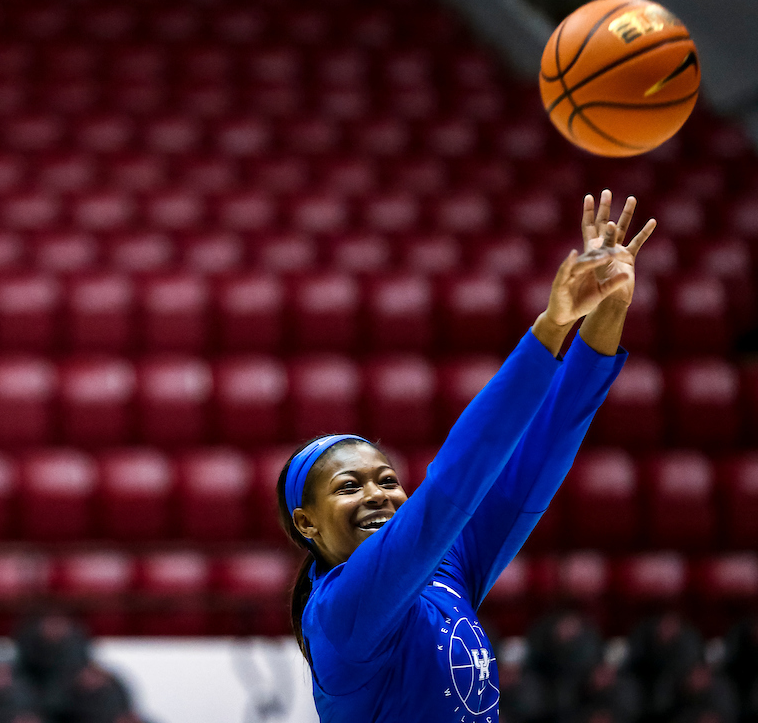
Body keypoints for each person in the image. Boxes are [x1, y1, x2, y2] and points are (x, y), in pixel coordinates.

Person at [275, 191, 655, 722]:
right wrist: (551, 325)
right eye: (347, 486)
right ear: (305, 523)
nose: (377, 495)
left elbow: (536, 460)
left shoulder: (443, 567)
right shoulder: (342, 614)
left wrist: (610, 306)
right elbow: (455, 482)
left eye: (386, 479)